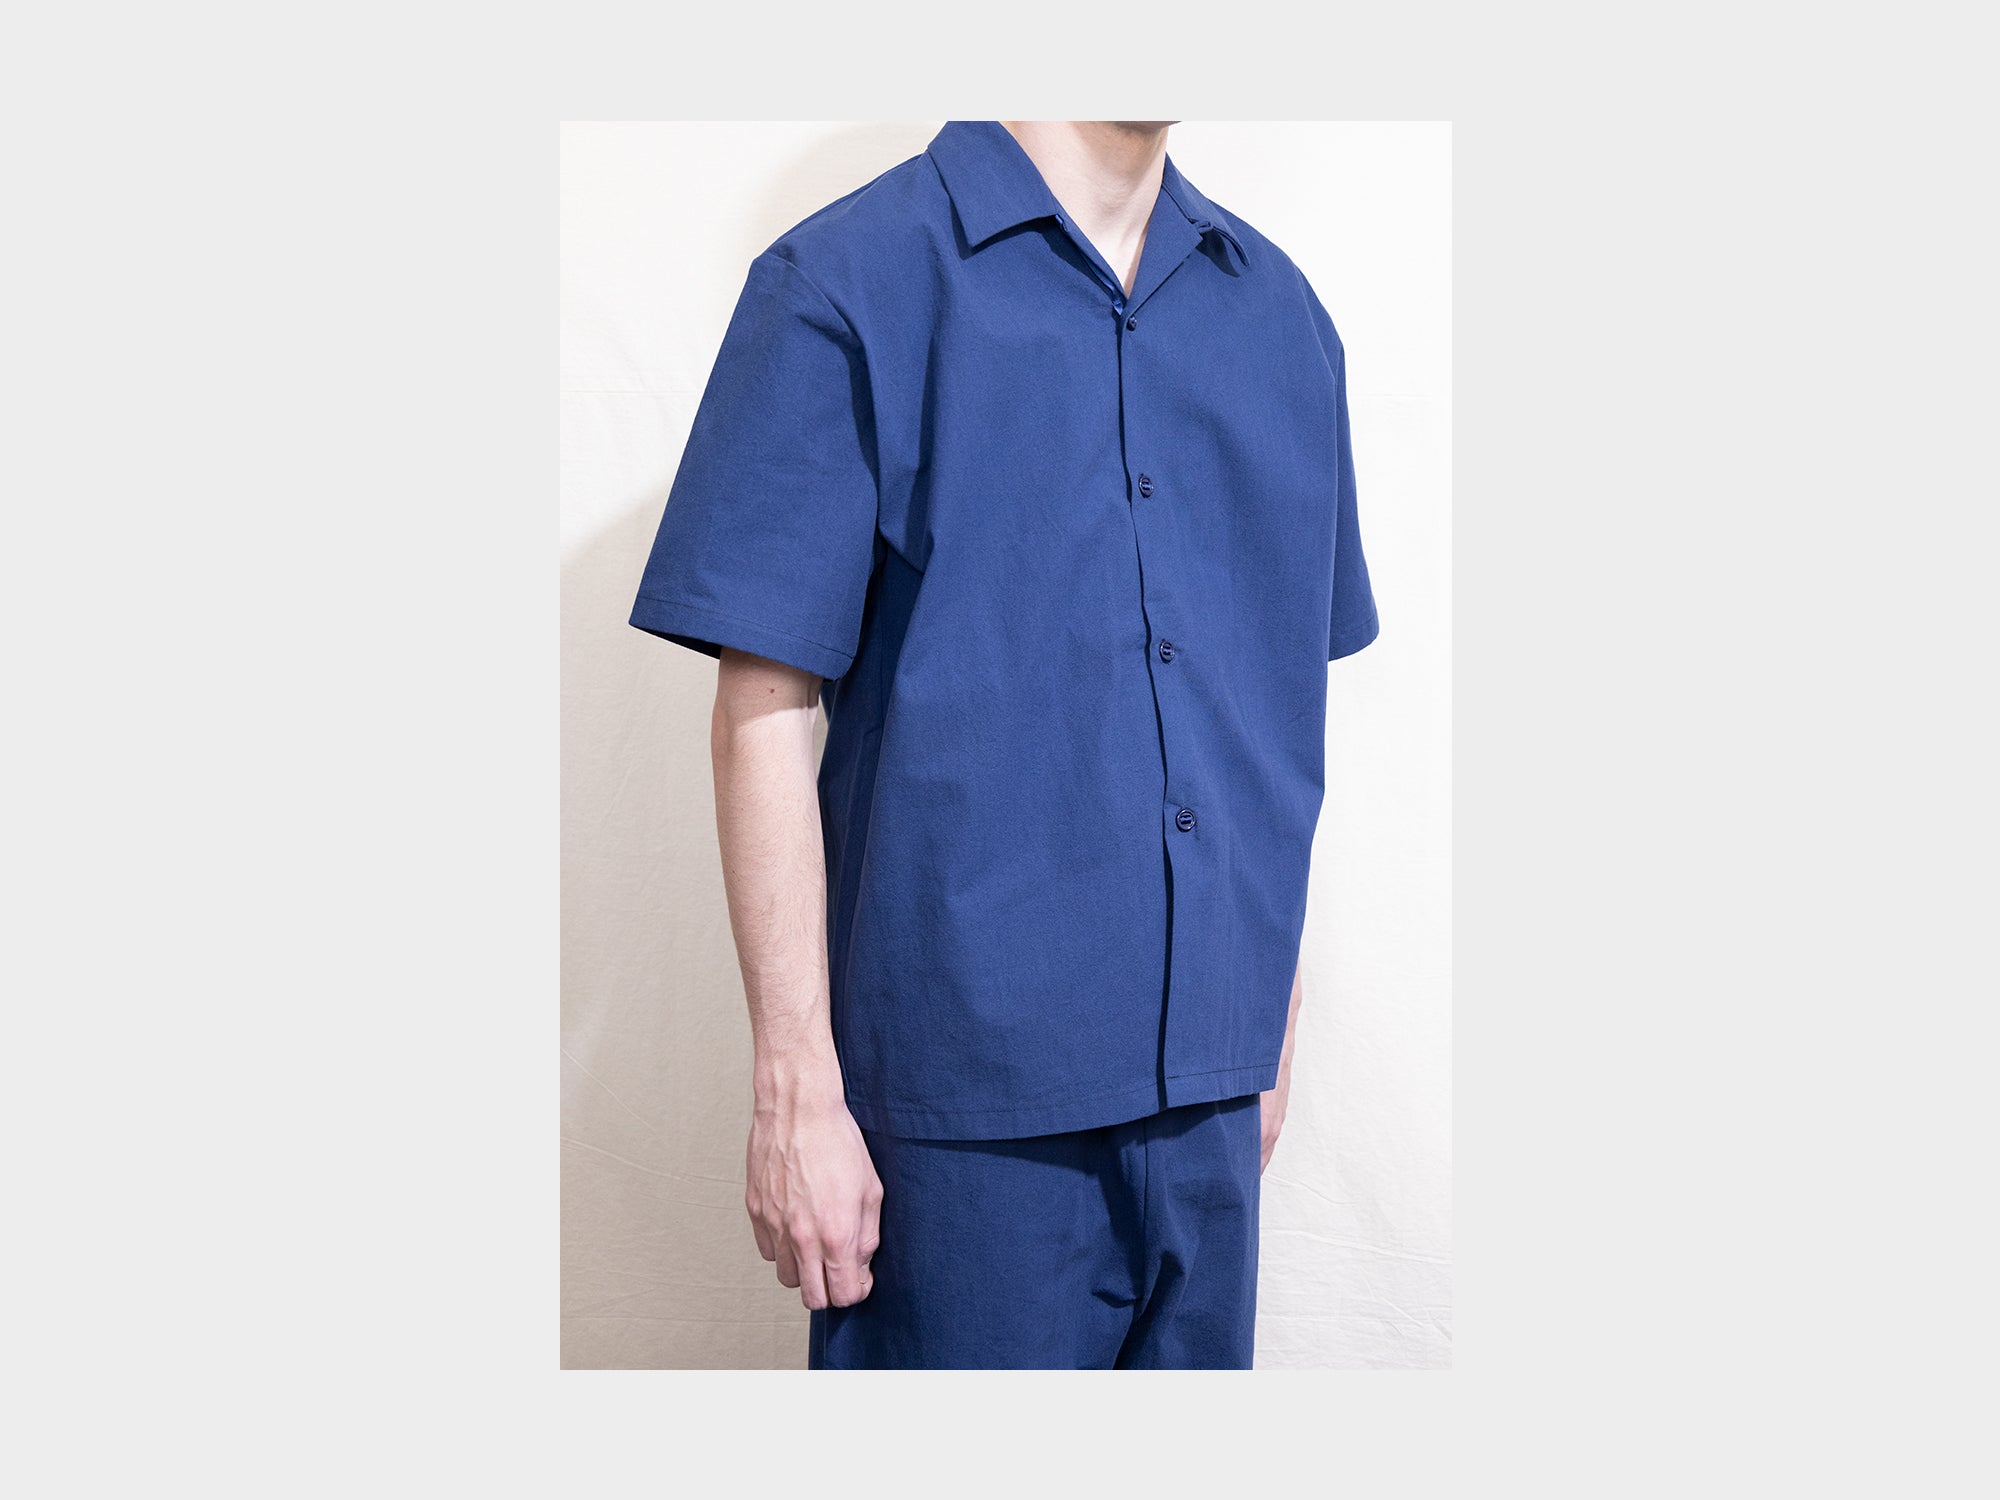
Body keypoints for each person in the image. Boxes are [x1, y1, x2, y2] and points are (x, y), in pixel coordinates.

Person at [629, 120, 1378, 1369]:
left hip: (1210, 1101)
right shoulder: (845, 282)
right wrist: (792, 1088)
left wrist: (1269, 1008)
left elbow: (1266, 693)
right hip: (956, 1126)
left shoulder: (1281, 318)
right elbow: (761, 706)